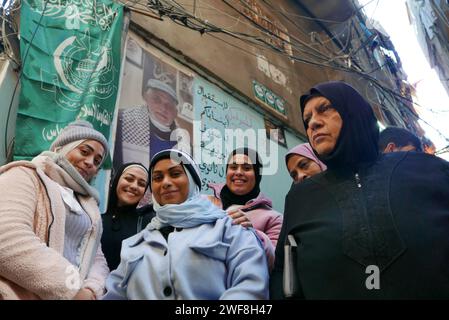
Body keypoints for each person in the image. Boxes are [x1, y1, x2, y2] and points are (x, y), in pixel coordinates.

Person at [270, 81, 449, 299]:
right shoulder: (301, 198)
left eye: (325, 109)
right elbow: (284, 274)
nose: (314, 123)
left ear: (352, 110)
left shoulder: (425, 168)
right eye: (307, 120)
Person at [103, 149, 269, 299]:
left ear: (192, 181)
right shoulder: (134, 244)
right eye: (158, 178)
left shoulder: (231, 229)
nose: (166, 182)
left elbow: (250, 288)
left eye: (175, 174)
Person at [0, 120, 110, 299]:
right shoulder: (25, 175)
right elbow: (6, 237)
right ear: (61, 148)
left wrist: (92, 291)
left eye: (97, 161)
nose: (90, 162)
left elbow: (97, 258)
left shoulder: (88, 206)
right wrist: (72, 290)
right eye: (84, 151)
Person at [207, 147, 282, 269]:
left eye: (247, 168)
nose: (238, 172)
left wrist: (253, 235)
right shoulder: (205, 202)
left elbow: (275, 264)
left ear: (257, 175)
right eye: (233, 167)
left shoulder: (273, 218)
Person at [113, 78, 190, 170]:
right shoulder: (121, 121)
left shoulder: (183, 143)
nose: (163, 108)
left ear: (175, 112)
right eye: (157, 99)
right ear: (146, 98)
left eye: (169, 105)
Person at [101, 163, 155, 271]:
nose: (134, 186)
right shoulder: (95, 213)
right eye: (129, 179)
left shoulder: (147, 221)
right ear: (116, 180)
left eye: (141, 184)